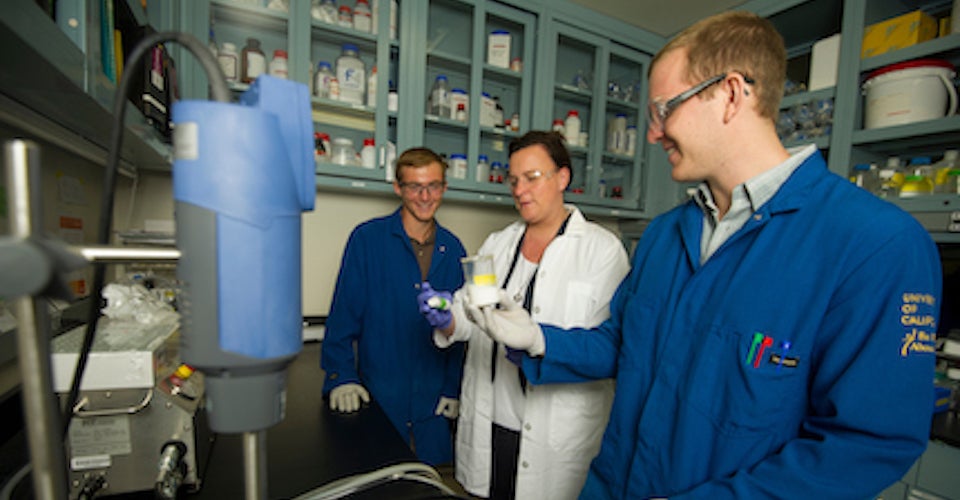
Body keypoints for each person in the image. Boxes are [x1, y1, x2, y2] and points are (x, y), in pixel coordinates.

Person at [474, 11, 943, 499]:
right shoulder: (665, 235)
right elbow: (624, 345)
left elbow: (866, 444)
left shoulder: (873, 245)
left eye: (663, 110)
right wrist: (537, 339)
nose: (653, 134)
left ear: (731, 94)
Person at [418, 131, 630, 499]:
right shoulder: (498, 244)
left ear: (562, 178)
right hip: (493, 421)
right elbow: (470, 314)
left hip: (557, 432)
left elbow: (609, 347)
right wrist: (447, 318)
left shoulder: (602, 251)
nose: (519, 190)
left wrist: (536, 343)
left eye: (532, 177)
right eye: (514, 180)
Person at [321, 147, 467, 466]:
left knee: (434, 483)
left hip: (434, 408)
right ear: (398, 188)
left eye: (434, 186)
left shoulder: (454, 249)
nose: (425, 196)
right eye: (415, 186)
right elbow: (342, 319)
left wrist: (453, 389)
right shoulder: (367, 240)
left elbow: (461, 329)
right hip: (379, 403)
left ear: (444, 187)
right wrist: (341, 376)